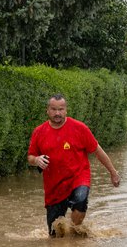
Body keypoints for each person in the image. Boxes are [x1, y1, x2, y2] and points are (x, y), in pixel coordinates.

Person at [27, 93, 120, 236]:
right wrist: (36, 160)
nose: (57, 113)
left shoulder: (79, 128)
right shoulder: (39, 132)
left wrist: (113, 172)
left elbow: (98, 151)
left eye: (61, 109)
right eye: (53, 109)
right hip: (54, 187)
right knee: (54, 234)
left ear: (66, 110)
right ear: (47, 110)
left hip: (78, 177)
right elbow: (30, 157)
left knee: (81, 200)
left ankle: (74, 233)